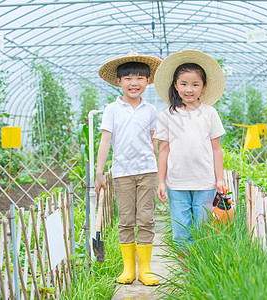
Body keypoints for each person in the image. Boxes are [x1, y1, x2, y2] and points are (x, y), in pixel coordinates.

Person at [96, 50, 162, 286]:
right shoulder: (111, 109)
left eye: (139, 78)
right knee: (125, 220)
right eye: (128, 79)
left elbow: (155, 143)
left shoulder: (151, 110)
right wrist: (99, 172)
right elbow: (105, 141)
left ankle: (144, 269)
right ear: (119, 82)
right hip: (122, 172)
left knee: (146, 219)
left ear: (147, 82)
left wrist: (160, 173)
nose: (134, 83)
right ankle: (128, 270)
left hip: (147, 171)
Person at [153, 50, 226, 246]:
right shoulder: (167, 115)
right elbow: (164, 150)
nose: (189, 89)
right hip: (177, 182)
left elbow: (216, 149)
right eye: (183, 84)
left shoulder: (209, 113)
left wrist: (219, 178)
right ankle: (185, 269)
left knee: (203, 227)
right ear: (175, 86)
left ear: (203, 87)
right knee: (180, 228)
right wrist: (161, 181)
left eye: (195, 84)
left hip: (205, 180)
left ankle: (200, 268)